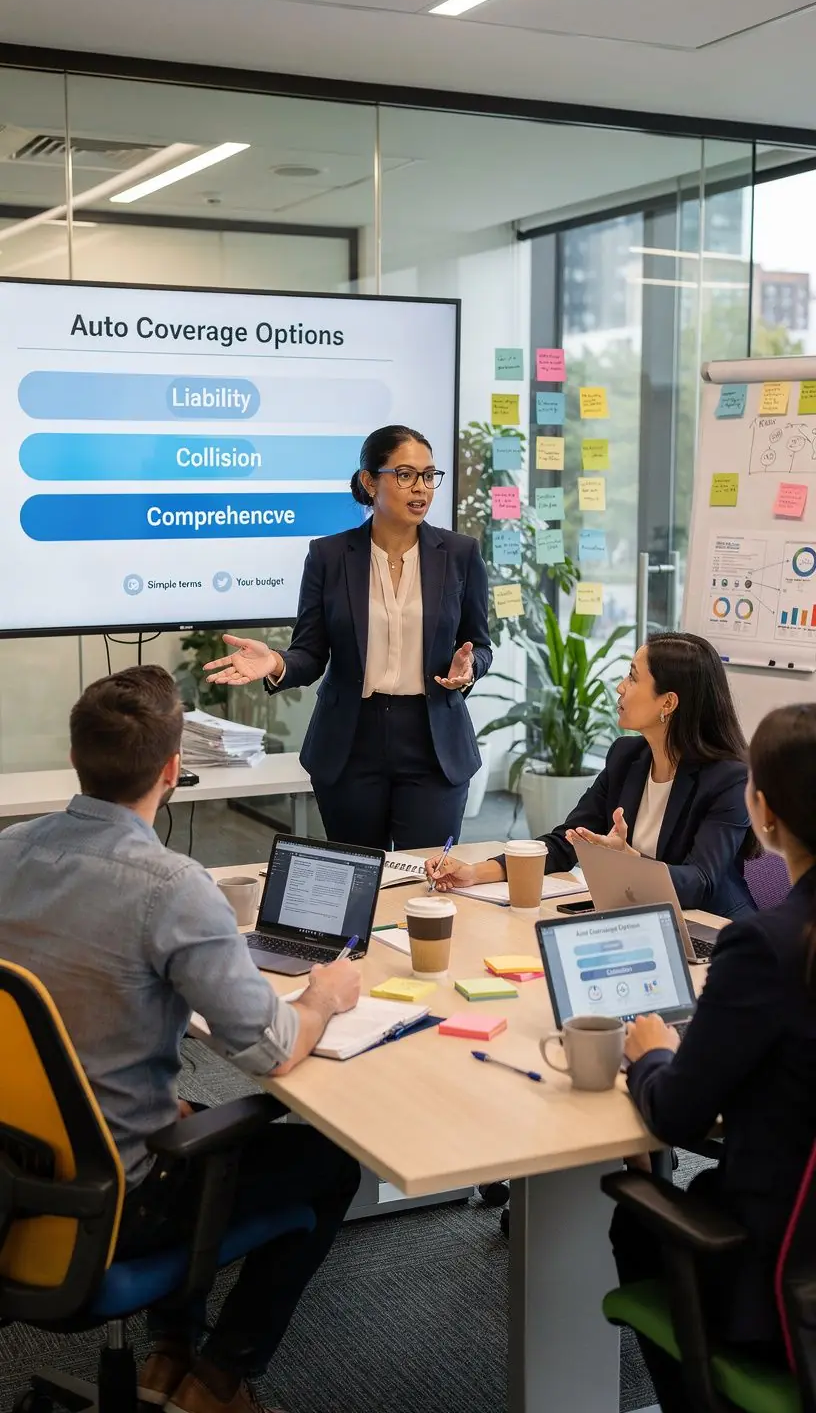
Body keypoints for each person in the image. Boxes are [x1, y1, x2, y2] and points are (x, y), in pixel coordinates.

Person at [0, 666, 362, 1413]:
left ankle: (169, 1353)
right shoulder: (171, 886)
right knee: (329, 1161)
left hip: (19, 1165)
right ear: (172, 770)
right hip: (118, 1201)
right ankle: (216, 1381)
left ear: (75, 758)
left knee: (191, 1116)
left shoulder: (7, 853)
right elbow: (271, 1049)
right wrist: (323, 998)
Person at [610, 702, 816, 1410]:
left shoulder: (765, 946)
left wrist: (651, 1054)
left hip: (783, 1286)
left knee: (636, 1220)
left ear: (764, 810)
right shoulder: (782, 942)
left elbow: (675, 1114)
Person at [204, 424, 492, 852]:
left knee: (428, 873)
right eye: (405, 475)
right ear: (370, 482)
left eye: (429, 475)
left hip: (433, 742)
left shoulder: (460, 554)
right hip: (351, 740)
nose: (421, 487)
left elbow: (480, 644)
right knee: (356, 873)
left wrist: (469, 668)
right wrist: (276, 663)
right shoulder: (329, 555)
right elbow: (309, 652)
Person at [428, 630, 756, 919]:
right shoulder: (627, 757)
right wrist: (475, 872)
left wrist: (631, 862)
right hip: (642, 918)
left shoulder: (729, 779)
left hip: (714, 931)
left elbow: (701, 883)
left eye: (633, 678)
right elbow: (567, 841)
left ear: (667, 703)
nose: (620, 687)